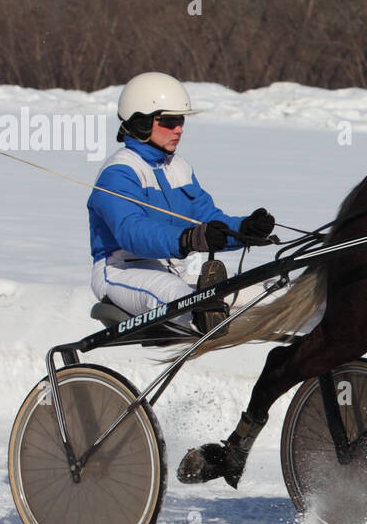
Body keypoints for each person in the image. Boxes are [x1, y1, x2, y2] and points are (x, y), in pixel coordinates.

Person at [88, 71, 274, 333]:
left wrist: (244, 230)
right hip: (122, 272)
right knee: (184, 299)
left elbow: (207, 220)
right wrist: (188, 239)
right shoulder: (119, 173)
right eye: (169, 121)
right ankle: (206, 317)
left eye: (181, 120)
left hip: (173, 269)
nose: (179, 129)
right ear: (141, 122)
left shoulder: (179, 168)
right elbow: (132, 232)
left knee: (268, 295)